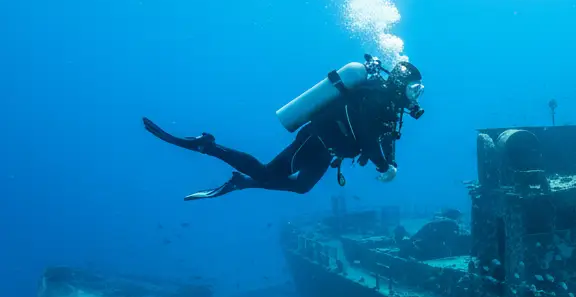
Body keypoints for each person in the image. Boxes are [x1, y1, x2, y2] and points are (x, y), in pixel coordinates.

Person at [143, 55, 424, 200]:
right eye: (414, 89)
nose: (416, 96)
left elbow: (386, 135)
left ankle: (241, 182)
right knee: (268, 173)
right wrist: (382, 166)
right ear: (400, 84)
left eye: (418, 91)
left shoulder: (390, 107)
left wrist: (391, 162)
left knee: (302, 187)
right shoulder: (373, 97)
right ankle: (208, 146)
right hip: (315, 140)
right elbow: (368, 136)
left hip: (329, 150)